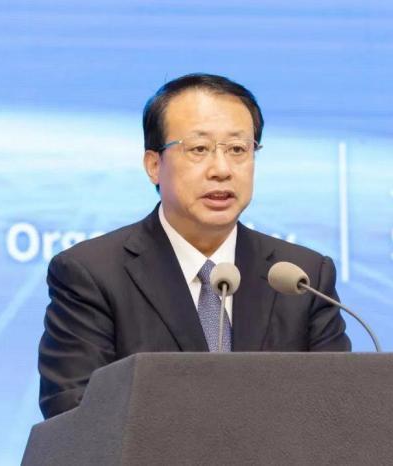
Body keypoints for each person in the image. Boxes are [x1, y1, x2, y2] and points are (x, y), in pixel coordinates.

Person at [38, 73, 351, 419]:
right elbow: (74, 413)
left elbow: (338, 411)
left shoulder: (303, 278)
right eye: (199, 149)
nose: (221, 170)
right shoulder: (92, 274)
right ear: (154, 165)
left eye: (238, 150)